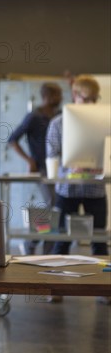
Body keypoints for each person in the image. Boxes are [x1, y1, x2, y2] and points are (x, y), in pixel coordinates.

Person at [45, 75, 108, 304]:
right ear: (75, 96)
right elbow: (51, 156)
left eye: (94, 99)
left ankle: (104, 289)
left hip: (95, 189)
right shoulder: (58, 123)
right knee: (62, 240)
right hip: (67, 189)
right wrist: (70, 165)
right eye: (86, 98)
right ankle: (55, 289)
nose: (90, 103)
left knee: (99, 241)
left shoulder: (105, 122)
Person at [8, 82, 62, 254]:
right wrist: (29, 160)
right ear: (46, 96)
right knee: (53, 203)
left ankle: (47, 245)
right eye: (57, 95)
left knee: (54, 207)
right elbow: (12, 140)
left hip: (58, 168)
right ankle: (32, 242)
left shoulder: (60, 115)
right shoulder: (34, 116)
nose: (60, 99)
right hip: (41, 168)